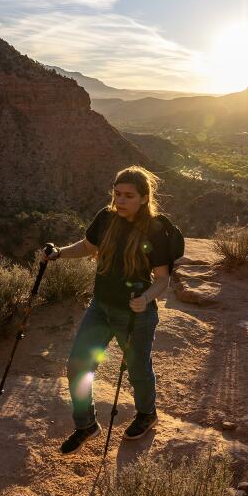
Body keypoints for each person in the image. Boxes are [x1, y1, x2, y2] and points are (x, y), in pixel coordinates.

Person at [40, 166, 174, 454]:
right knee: (78, 364)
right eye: (117, 194)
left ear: (144, 197)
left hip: (135, 315)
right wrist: (60, 253)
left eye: (128, 196)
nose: (121, 201)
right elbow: (88, 247)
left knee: (138, 369)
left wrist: (146, 297)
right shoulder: (105, 218)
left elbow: (163, 279)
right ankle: (85, 424)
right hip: (100, 307)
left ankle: (147, 414)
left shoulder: (155, 228)